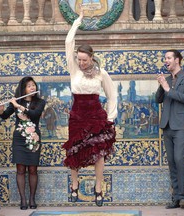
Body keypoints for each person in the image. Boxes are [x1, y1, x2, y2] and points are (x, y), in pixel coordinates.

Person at [62, 9, 117, 207]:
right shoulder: (73, 68)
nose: (82, 63)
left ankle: (99, 188)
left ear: (92, 58)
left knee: (99, 153)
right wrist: (78, 21)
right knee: (74, 151)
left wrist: (110, 117)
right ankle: (74, 185)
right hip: (77, 115)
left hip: (96, 116)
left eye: (85, 60)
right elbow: (69, 43)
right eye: (80, 59)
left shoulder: (101, 73)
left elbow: (112, 95)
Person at [155, 49, 184, 209]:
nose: (165, 60)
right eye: (165, 58)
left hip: (181, 126)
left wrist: (168, 88)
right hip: (167, 125)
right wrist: (161, 85)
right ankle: (176, 198)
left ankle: (183, 197)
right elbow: (158, 99)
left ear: (177, 60)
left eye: (168, 58)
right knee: (172, 162)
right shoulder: (166, 79)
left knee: (180, 160)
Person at [0, 76, 46, 210]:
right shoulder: (16, 102)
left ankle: (32, 199)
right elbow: (5, 115)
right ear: (23, 89)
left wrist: (18, 106)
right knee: (20, 170)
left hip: (33, 137)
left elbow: (35, 114)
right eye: (29, 86)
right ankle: (23, 200)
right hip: (19, 139)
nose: (32, 88)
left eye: (33, 85)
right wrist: (0, 110)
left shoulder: (40, 102)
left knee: (32, 169)